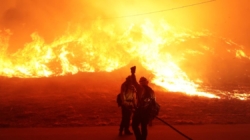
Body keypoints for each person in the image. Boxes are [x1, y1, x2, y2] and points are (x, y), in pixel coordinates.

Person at [130, 66, 156, 140]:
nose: (141, 83)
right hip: (147, 112)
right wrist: (151, 115)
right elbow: (154, 103)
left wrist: (132, 73)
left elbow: (134, 82)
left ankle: (139, 139)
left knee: (135, 125)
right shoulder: (151, 91)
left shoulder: (140, 88)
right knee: (144, 127)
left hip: (140, 112)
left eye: (141, 81)